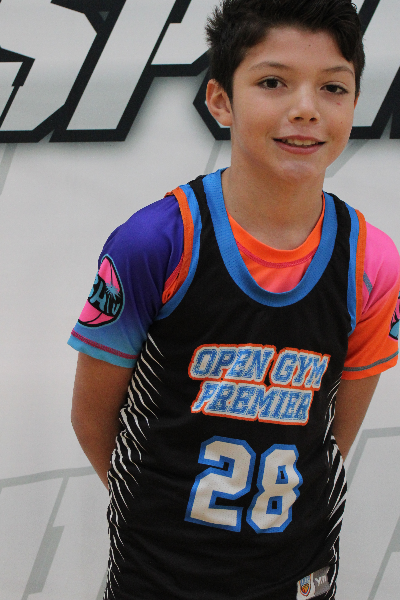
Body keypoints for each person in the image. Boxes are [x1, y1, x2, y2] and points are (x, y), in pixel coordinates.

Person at [69, 1, 400, 598]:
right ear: (221, 100)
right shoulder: (156, 242)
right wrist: (160, 517)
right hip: (158, 573)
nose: (306, 108)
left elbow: (332, 436)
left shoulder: (373, 263)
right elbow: (92, 418)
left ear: (355, 103)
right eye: (273, 82)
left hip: (297, 568)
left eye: (333, 87)